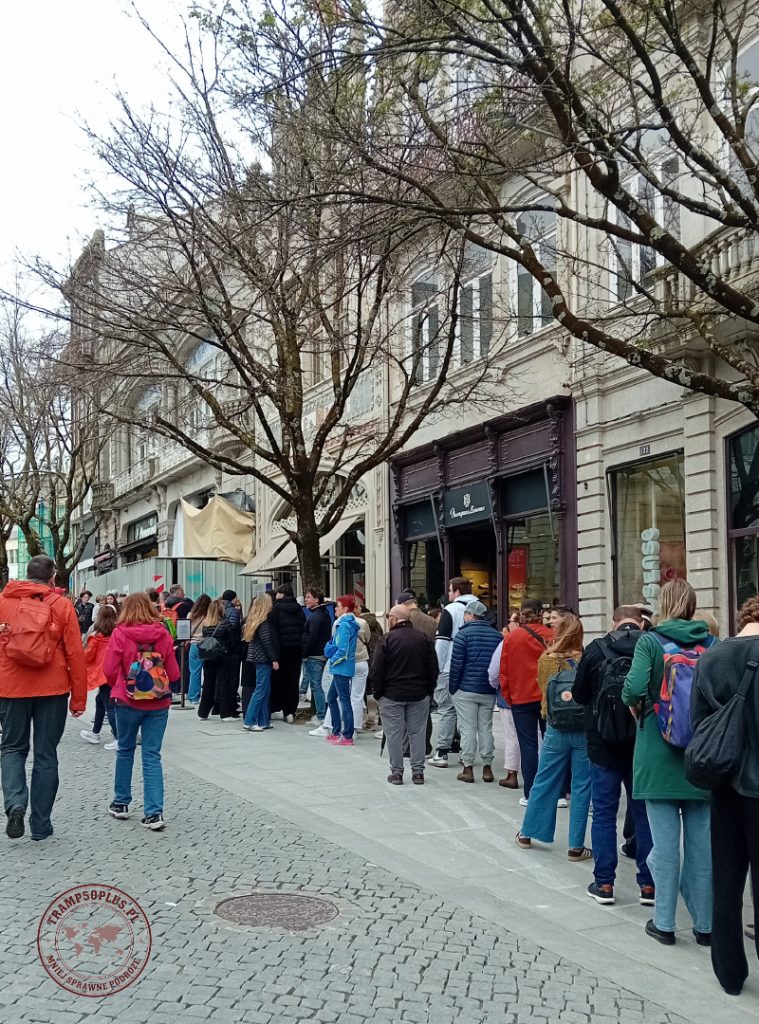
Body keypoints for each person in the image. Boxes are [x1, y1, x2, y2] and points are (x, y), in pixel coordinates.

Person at [622, 578, 714, 946]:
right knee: (701, 847)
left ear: (662, 604)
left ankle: (664, 922)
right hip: (703, 756)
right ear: (692, 605)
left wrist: (639, 707)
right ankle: (705, 925)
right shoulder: (712, 643)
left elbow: (631, 689)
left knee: (663, 844)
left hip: (657, 753)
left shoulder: (650, 641)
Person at [691, 596, 759, 994]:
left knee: (727, 878)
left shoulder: (713, 659)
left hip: (725, 783)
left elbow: (697, 724)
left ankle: (730, 971)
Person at [0, 555, 87, 841]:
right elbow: (75, 653)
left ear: (26, 574)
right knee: (46, 755)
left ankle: (15, 804)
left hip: (11, 687)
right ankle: (40, 825)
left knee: (12, 748)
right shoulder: (61, 605)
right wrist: (79, 698)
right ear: (52, 578)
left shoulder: (4, 601)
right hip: (53, 687)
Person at [571, 605, 654, 905]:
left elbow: (579, 694)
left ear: (615, 621)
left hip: (602, 745)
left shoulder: (596, 649)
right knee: (643, 814)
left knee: (604, 814)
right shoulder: (652, 647)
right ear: (641, 622)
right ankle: (648, 885)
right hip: (641, 745)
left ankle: (604, 884)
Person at [515, 611, 591, 860]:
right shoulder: (585, 658)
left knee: (544, 780)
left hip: (555, 726)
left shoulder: (545, 659)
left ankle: (528, 832)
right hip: (582, 728)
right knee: (581, 786)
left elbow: (543, 692)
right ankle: (576, 846)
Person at [103, 592, 180, 831]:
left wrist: (123, 682)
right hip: (158, 703)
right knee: (151, 755)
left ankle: (121, 803)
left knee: (125, 750)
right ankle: (154, 813)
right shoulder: (163, 634)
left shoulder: (120, 634)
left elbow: (108, 669)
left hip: (127, 701)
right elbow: (175, 674)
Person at [370, 604, 438, 784]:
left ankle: (397, 772)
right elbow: (433, 668)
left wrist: (378, 694)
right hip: (419, 693)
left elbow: (377, 670)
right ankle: (418, 772)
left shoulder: (387, 639)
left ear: (394, 618)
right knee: (417, 733)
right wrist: (428, 691)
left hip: (392, 694)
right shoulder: (423, 638)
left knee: (394, 734)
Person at [499, 599, 554, 800]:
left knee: (528, 745)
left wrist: (508, 695)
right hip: (548, 696)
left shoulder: (512, 638)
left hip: (521, 696)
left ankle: (530, 792)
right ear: (542, 614)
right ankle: (556, 792)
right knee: (551, 744)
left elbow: (503, 671)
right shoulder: (552, 636)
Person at [448, 600, 502, 783]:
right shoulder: (497, 636)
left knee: (467, 728)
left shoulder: (463, 635)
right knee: (485, 728)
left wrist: (453, 688)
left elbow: (456, 665)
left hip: (466, 689)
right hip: (487, 689)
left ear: (470, 615)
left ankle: (468, 767)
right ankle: (487, 767)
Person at [429, 577, 479, 767]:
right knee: (469, 714)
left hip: (450, 667)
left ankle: (442, 752)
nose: (448, 595)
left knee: (447, 710)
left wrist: (437, 668)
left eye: (450, 591)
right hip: (474, 669)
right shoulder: (481, 608)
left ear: (457, 592)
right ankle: (466, 754)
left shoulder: (450, 610)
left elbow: (442, 641)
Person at [80, 605, 120, 750]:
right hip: (115, 671)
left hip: (101, 673)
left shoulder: (96, 637)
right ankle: (95, 732)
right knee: (101, 701)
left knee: (109, 705)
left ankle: (118, 737)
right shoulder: (118, 633)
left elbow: (88, 657)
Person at [324, 595, 360, 746]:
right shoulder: (347, 623)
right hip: (342, 666)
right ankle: (337, 730)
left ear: (345, 609)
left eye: (338, 606)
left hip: (341, 667)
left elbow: (343, 649)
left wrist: (332, 660)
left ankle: (347, 735)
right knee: (332, 698)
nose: (335, 609)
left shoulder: (344, 624)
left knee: (344, 700)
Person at [269, 584, 306, 723]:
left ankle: (275, 707)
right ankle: (290, 711)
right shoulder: (299, 610)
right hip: (296, 650)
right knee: (292, 681)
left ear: (282, 595)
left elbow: (274, 633)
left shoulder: (275, 610)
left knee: (277, 680)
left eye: (277, 593)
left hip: (281, 651)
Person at [197, 599, 238, 721]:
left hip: (209, 656)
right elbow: (233, 641)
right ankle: (225, 713)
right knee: (224, 683)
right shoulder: (225, 623)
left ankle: (203, 712)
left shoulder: (206, 624)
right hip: (223, 655)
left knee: (208, 684)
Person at [242, 594, 279, 732]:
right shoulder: (264, 622)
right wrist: (273, 659)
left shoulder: (254, 620)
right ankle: (249, 721)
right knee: (261, 689)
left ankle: (263, 720)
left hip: (257, 658)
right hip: (263, 659)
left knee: (264, 689)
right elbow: (266, 642)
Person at [488, 639, 521, 789]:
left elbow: (494, 672)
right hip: (534, 695)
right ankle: (540, 774)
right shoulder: (546, 637)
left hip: (509, 695)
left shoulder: (507, 642)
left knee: (512, 736)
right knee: (537, 736)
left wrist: (497, 686)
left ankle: (512, 773)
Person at [301, 587, 332, 723]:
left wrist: (305, 653)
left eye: (308, 597)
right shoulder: (324, 614)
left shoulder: (315, 617)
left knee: (316, 685)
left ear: (316, 599)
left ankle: (320, 716)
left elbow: (312, 637)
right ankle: (321, 714)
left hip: (314, 654)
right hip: (320, 653)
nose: (306, 600)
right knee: (317, 685)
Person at [187, 595, 211, 706]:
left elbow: (187, 631)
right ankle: (207, 696)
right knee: (208, 672)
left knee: (194, 672)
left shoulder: (191, 615)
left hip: (193, 645)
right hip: (206, 645)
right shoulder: (209, 615)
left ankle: (193, 697)